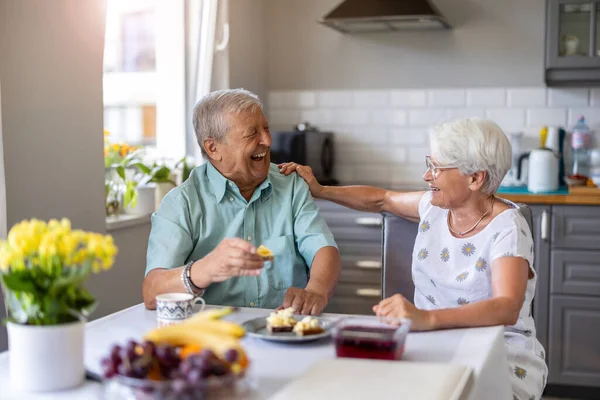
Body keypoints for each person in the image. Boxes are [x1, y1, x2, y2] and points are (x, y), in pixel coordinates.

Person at [279, 118, 548, 400]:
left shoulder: (507, 228)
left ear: (475, 178)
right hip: (430, 342)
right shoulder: (435, 209)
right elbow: (381, 199)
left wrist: (426, 318)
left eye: (436, 167)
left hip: (497, 351)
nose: (426, 175)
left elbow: (507, 307)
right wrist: (321, 190)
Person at [142, 88, 341, 315]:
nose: (267, 141)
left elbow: (323, 248)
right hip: (213, 337)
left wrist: (316, 290)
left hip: (282, 332)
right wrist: (205, 269)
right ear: (213, 148)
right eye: (251, 133)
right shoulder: (182, 203)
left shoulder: (291, 186)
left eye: (266, 128)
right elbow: (151, 292)